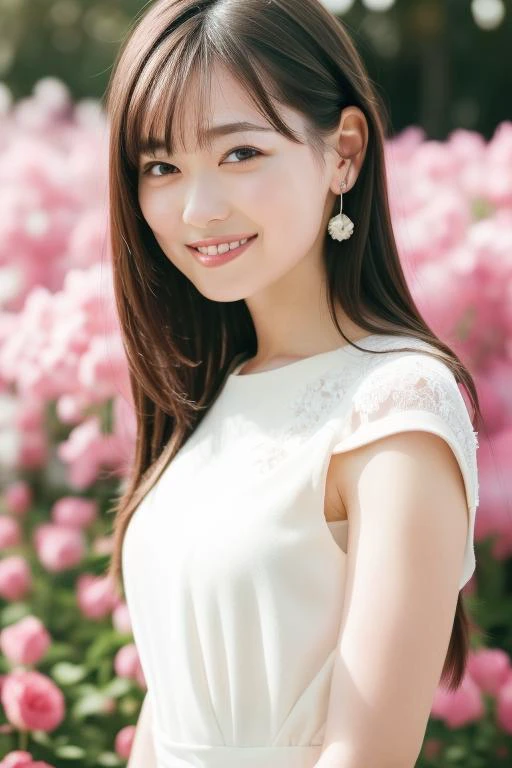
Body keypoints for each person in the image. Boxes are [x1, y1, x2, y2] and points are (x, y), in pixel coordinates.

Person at [103, 1, 481, 766]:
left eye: (239, 153)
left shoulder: (396, 408)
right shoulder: (211, 396)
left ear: (342, 151)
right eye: (161, 167)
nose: (197, 209)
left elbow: (366, 756)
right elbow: (169, 710)